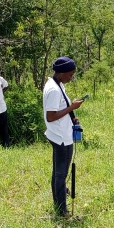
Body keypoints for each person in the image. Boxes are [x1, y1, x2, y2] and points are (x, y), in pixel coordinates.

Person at [43, 56, 83, 218]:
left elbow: (61, 107)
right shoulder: (53, 89)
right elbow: (50, 116)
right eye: (70, 74)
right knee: (60, 173)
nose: (71, 77)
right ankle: (61, 210)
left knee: (58, 172)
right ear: (61, 73)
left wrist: (71, 115)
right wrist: (72, 107)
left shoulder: (58, 84)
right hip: (60, 136)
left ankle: (59, 202)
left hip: (62, 133)